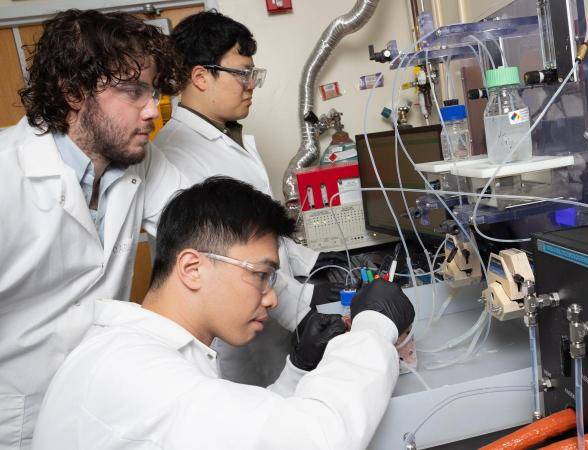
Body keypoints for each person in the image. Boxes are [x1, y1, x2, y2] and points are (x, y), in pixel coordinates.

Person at [32, 177, 415, 450]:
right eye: (261, 275)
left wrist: (298, 369)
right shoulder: (139, 375)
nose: (272, 299)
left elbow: (236, 432)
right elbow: (314, 439)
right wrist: (374, 324)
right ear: (192, 268)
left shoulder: (141, 352)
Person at [0, 10, 185, 448]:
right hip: (15, 416)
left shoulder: (142, 160)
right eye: (133, 91)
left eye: (154, 91)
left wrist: (305, 305)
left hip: (100, 401)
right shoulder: (8, 171)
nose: (152, 110)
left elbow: (212, 229)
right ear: (74, 92)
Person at [154, 10, 339, 385]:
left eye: (252, 73)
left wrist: (320, 261)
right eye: (241, 73)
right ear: (201, 76)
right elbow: (230, 255)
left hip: (267, 311)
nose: (251, 84)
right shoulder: (173, 155)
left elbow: (261, 236)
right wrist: (305, 306)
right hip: (236, 336)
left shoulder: (230, 138)